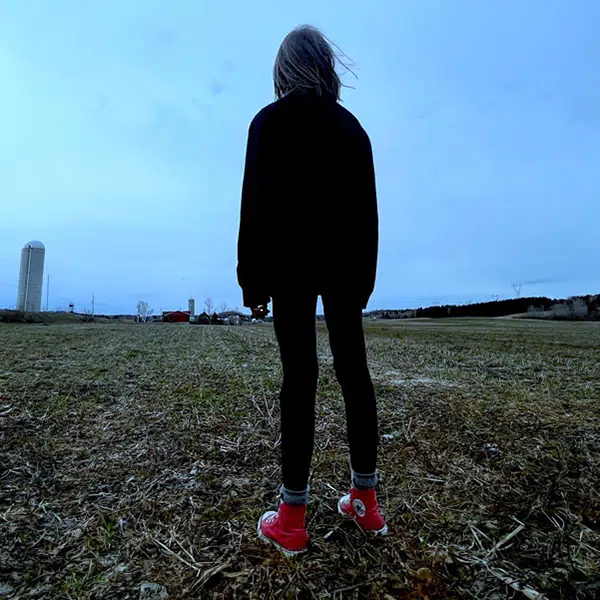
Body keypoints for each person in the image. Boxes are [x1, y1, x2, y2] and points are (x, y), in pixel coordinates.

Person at [237, 25, 387, 556]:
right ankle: (366, 504)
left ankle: (293, 517)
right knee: (355, 374)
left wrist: (252, 280)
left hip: (290, 268)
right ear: (326, 65)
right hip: (345, 267)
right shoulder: (353, 130)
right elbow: (369, 217)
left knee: (299, 378)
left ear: (284, 69)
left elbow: (254, 208)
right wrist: (364, 281)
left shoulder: (268, 124)